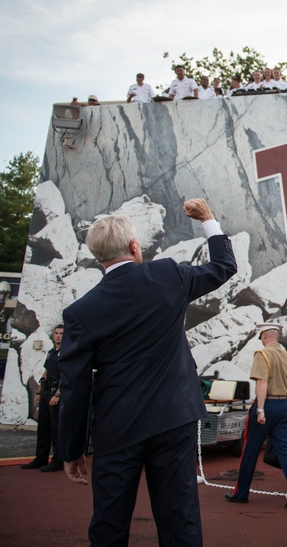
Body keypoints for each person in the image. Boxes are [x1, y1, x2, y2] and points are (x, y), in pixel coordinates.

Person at [58, 198, 237, 546]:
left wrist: (71, 448)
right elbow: (223, 267)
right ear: (134, 247)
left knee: (109, 523)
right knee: (179, 518)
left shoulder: (80, 312)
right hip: (175, 419)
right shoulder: (168, 275)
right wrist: (208, 220)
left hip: (117, 425)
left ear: (99, 257)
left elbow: (74, 387)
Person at [226, 323, 287, 508]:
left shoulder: (262, 355)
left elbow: (261, 383)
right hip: (284, 406)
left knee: (250, 449)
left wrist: (260, 410)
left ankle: (241, 493)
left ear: (264, 337)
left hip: (267, 405)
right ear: (277, 337)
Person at [21, 325, 65, 472]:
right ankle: (41, 457)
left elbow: (66, 376)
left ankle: (58, 460)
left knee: (55, 429)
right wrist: (39, 393)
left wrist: (57, 395)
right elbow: (45, 373)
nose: (58, 336)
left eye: (61, 334)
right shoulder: (52, 352)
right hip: (46, 390)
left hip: (56, 391)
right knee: (43, 427)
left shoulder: (66, 353)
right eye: (56, 333)